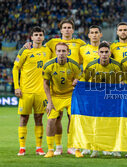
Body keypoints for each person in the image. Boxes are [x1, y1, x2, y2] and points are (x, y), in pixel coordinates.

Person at [24, 19, 86, 155]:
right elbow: (39, 46)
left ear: (73, 30)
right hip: (56, 89)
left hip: (71, 90)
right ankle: (56, 147)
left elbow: (90, 52)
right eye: (65, 27)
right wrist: (28, 44)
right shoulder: (52, 42)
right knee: (55, 119)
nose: (67, 29)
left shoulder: (79, 43)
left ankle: (72, 146)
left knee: (73, 118)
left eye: (70, 27)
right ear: (61, 29)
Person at [12, 26, 51, 156]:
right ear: (31, 37)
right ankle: (22, 148)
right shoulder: (24, 51)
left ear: (44, 37)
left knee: (39, 119)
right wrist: (16, 86)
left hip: (41, 92)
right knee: (23, 118)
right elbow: (15, 68)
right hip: (26, 91)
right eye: (36, 34)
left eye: (40, 34)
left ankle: (39, 148)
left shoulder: (48, 51)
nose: (38, 37)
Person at [81, 41, 122, 157]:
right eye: (102, 52)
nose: (104, 54)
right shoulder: (92, 65)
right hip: (96, 100)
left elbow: (121, 83)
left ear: (110, 53)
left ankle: (113, 149)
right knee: (96, 124)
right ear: (98, 53)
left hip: (112, 100)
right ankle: (95, 148)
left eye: (106, 52)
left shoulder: (116, 66)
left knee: (112, 125)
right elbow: (84, 81)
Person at [42, 42, 82, 158]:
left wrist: (77, 81)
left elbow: (80, 78)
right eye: (59, 51)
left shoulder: (74, 65)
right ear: (55, 52)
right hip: (55, 97)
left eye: (63, 51)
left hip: (70, 96)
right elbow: (45, 84)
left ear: (68, 52)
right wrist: (49, 102)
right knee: (50, 121)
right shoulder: (49, 65)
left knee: (74, 120)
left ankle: (76, 148)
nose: (61, 53)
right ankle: (50, 149)